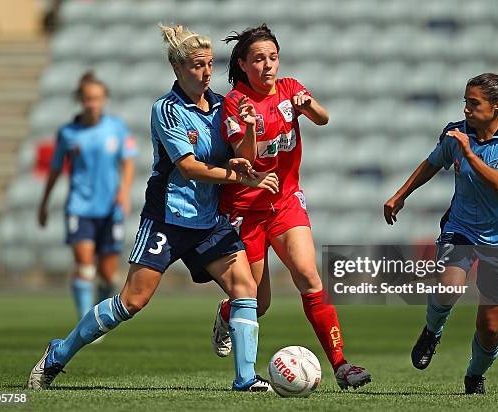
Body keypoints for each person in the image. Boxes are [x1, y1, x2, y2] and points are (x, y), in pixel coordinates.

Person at [28, 24, 280, 392]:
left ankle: (245, 379)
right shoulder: (166, 110)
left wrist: (252, 130)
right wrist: (237, 176)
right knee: (132, 301)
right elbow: (189, 167)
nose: (206, 72)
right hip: (168, 218)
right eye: (197, 65)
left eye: (209, 64)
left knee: (245, 289)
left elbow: (245, 156)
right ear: (177, 68)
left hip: (208, 221)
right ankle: (58, 353)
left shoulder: (226, 106)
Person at [210, 24, 371, 390]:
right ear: (242, 64)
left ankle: (342, 365)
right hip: (244, 211)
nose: (268, 65)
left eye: (273, 57)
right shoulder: (235, 102)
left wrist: (307, 105)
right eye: (258, 59)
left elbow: (323, 118)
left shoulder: (290, 88)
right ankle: (225, 314)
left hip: (284, 203)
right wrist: (250, 127)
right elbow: (244, 158)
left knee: (308, 275)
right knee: (257, 302)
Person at [383, 73, 498, 394]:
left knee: (489, 327)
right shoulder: (455, 134)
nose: (466, 109)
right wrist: (400, 195)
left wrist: (469, 155)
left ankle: (474, 374)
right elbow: (432, 162)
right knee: (449, 287)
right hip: (461, 228)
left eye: (473, 103)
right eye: (465, 101)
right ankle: (432, 331)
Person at [38, 71, 136, 320]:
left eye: (97, 98)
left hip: (110, 208)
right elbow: (56, 168)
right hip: (79, 207)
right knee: (85, 266)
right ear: (80, 100)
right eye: (88, 99)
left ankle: (101, 310)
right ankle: (86, 318)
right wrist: (44, 202)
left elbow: (127, 163)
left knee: (106, 273)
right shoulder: (68, 133)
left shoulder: (116, 128)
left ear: (104, 99)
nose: (93, 103)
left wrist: (124, 193)